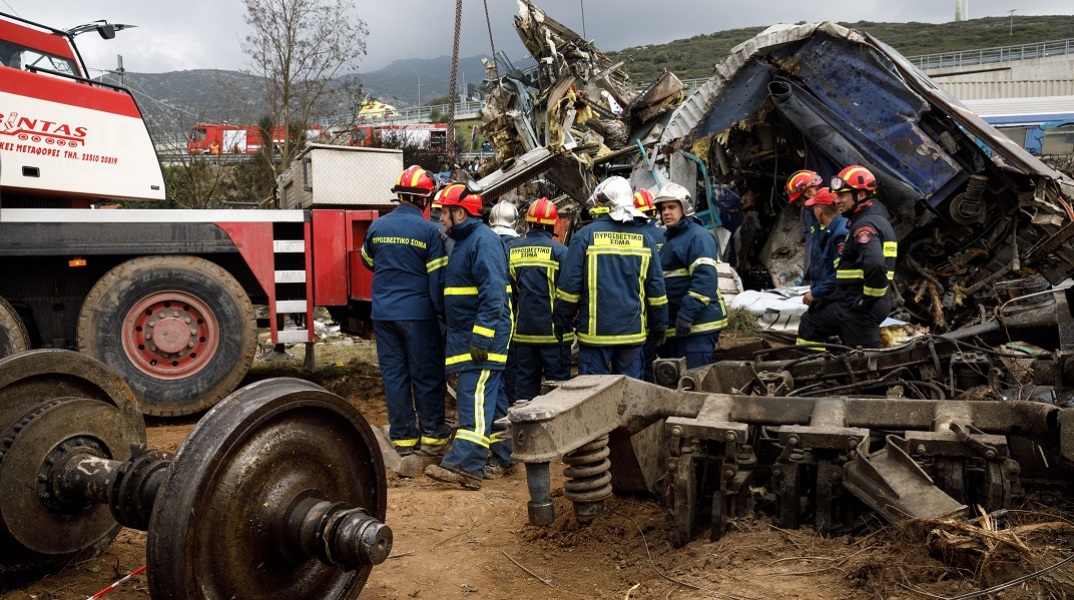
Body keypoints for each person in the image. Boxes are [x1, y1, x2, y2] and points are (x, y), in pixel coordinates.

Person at [424, 182, 512, 489]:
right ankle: (505, 453)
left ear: (460, 213)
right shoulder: (466, 241)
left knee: (473, 398)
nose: (441, 218)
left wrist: (482, 338)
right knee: (493, 399)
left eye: (445, 212)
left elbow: (493, 294)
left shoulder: (483, 241)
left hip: (483, 339)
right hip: (471, 337)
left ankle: (466, 465)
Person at [360, 165, 451, 459]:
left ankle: (403, 438)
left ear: (399, 195)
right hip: (419, 316)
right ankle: (433, 436)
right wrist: (442, 316)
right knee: (426, 375)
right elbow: (437, 279)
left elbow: (367, 261)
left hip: (383, 315)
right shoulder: (430, 231)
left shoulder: (378, 226)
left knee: (395, 376)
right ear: (425, 199)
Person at [552, 176, 668, 379]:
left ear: (604, 205)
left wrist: (561, 320)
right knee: (630, 392)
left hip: (595, 338)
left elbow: (569, 288)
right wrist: (660, 326)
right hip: (632, 336)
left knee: (593, 392)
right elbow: (656, 290)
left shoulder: (585, 236)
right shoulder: (646, 240)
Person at [795, 165, 896, 350]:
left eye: (842, 195)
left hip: (861, 308)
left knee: (865, 359)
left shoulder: (864, 227)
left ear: (861, 195)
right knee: (813, 322)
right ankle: (819, 362)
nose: (837, 200)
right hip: (859, 303)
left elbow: (875, 265)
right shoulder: (876, 220)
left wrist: (866, 300)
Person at [654, 183, 728, 369]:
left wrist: (686, 315)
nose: (666, 212)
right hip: (679, 326)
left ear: (685, 208)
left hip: (698, 326)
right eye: (663, 208)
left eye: (672, 207)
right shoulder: (670, 239)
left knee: (693, 379)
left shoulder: (698, 237)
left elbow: (705, 281)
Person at [507, 197, 571, 400]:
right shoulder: (561, 252)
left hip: (523, 336)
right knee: (558, 391)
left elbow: (509, 295)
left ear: (528, 222)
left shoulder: (512, 251)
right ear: (554, 224)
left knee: (524, 391)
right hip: (555, 336)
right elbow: (569, 294)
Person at [634, 187, 665, 381]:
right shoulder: (666, 234)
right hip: (666, 309)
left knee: (642, 363)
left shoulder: (636, 238)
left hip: (639, 313)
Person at [786, 169, 823, 281]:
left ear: (810, 193)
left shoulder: (829, 216)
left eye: (798, 199)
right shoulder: (811, 214)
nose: (798, 204)